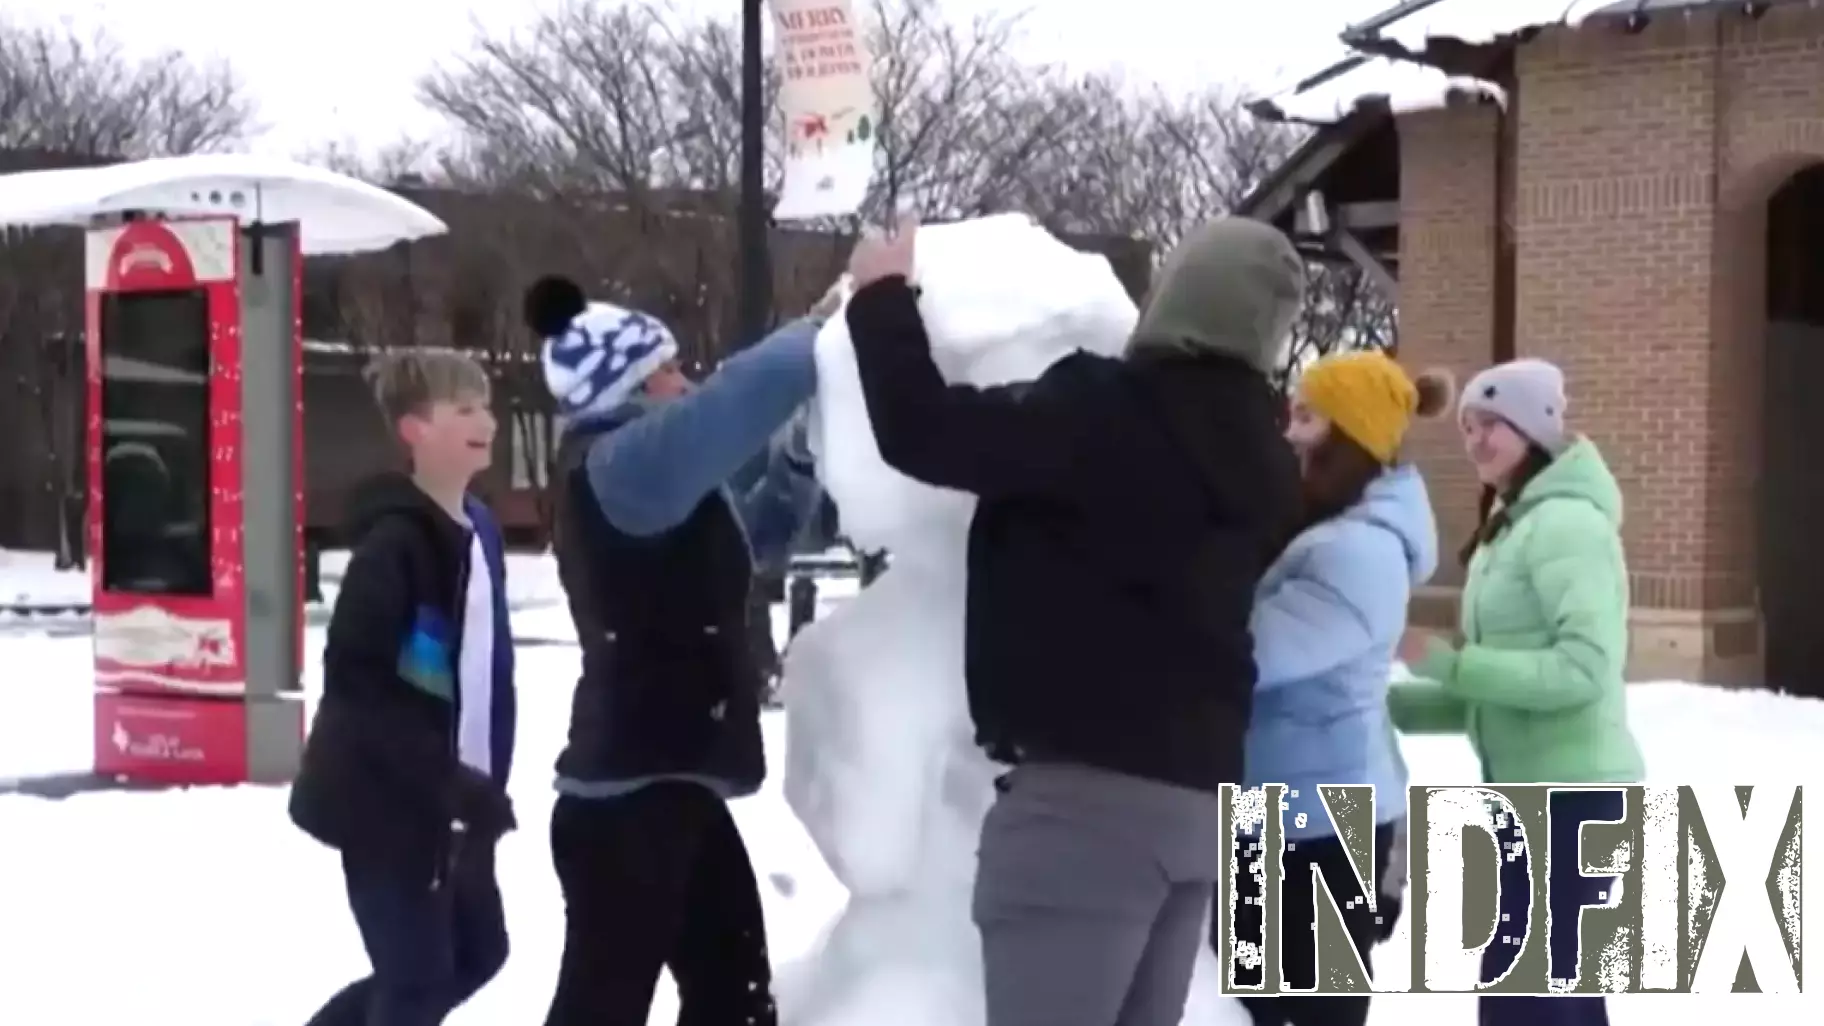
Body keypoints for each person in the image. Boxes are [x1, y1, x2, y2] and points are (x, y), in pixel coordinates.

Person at [843, 214, 1304, 1026]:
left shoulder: (1105, 411)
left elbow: (924, 431)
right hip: (1200, 805)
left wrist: (883, 299)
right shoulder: (1267, 461)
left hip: (1084, 816)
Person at [525, 276, 832, 1026]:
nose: (684, 378)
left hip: (664, 785)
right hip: (631, 799)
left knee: (734, 994)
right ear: (624, 384)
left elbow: (751, 544)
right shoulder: (621, 462)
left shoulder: (654, 483)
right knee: (607, 1005)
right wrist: (827, 322)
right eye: (665, 368)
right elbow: (739, 398)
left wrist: (792, 464)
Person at [1390, 357, 1644, 1026]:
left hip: (1574, 798)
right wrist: (1381, 708)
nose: (1473, 440)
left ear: (1533, 428)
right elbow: (1499, 685)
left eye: (1490, 425)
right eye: (1467, 426)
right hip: (1532, 792)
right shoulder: (1516, 523)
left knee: (1527, 996)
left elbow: (1583, 669)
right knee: (1554, 995)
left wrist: (1445, 662)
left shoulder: (1567, 525)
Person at [290, 350, 517, 1026]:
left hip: (460, 801)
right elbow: (362, 698)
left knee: (480, 949)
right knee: (416, 980)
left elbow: (480, 671)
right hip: (387, 806)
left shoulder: (479, 533)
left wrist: (480, 782)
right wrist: (451, 785)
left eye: (486, 405)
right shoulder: (392, 550)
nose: (488, 421)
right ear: (414, 430)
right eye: (464, 409)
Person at [1223, 352, 1450, 1026]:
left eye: (1306, 417)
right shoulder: (1326, 528)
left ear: (1348, 436)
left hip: (1321, 816)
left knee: (1313, 1012)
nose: (1289, 432)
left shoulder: (1359, 552)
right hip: (1285, 801)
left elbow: (1250, 653)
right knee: (1261, 1005)